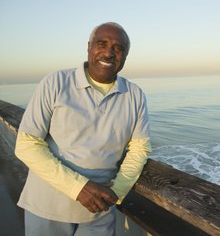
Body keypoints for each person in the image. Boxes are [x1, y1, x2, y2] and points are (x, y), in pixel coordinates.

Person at [15, 22, 151, 235]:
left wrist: (116, 192)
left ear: (125, 56)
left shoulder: (134, 95)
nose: (109, 52)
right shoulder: (56, 83)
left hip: (100, 212)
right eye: (101, 43)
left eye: (118, 48)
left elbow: (139, 149)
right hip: (47, 208)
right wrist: (78, 188)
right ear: (89, 47)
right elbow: (26, 144)